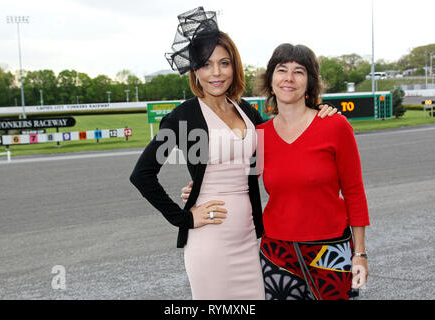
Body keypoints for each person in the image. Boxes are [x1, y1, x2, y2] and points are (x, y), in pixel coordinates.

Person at [130, 7, 337, 300]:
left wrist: (318, 112)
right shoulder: (183, 118)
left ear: (234, 67)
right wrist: (183, 218)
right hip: (210, 240)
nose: (216, 72)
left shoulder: (247, 112)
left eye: (224, 63)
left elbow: (286, 135)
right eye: (206, 64)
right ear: (195, 71)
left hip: (251, 238)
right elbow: (142, 174)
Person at [255, 43, 370, 300]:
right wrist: (199, 189)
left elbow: (354, 192)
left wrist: (360, 253)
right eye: (282, 70)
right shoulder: (259, 136)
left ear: (309, 82)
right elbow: (239, 183)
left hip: (330, 252)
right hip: (277, 254)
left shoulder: (335, 126)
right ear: (270, 80)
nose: (289, 78)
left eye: (299, 71)